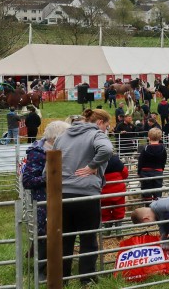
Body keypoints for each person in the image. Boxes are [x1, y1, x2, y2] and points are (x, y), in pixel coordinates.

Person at [53, 108, 116, 284]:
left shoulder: (63, 136)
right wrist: (91, 166)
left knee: (65, 238)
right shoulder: (96, 134)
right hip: (86, 193)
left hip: (62, 193)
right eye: (106, 125)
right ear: (99, 123)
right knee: (88, 238)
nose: (107, 129)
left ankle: (62, 279)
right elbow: (107, 149)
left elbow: (50, 162)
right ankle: (87, 279)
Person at [20, 121, 69, 280]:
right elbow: (27, 181)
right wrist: (49, 177)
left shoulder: (61, 150)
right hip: (43, 201)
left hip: (59, 198)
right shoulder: (37, 152)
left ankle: (57, 267)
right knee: (43, 234)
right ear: (56, 137)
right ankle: (40, 271)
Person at [137, 128, 168, 201]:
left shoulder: (145, 149)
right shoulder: (163, 149)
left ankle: (148, 207)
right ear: (160, 137)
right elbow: (164, 160)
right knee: (157, 191)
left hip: (146, 172)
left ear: (149, 137)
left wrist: (139, 172)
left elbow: (141, 161)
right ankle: (157, 207)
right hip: (158, 171)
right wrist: (161, 169)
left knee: (146, 191)